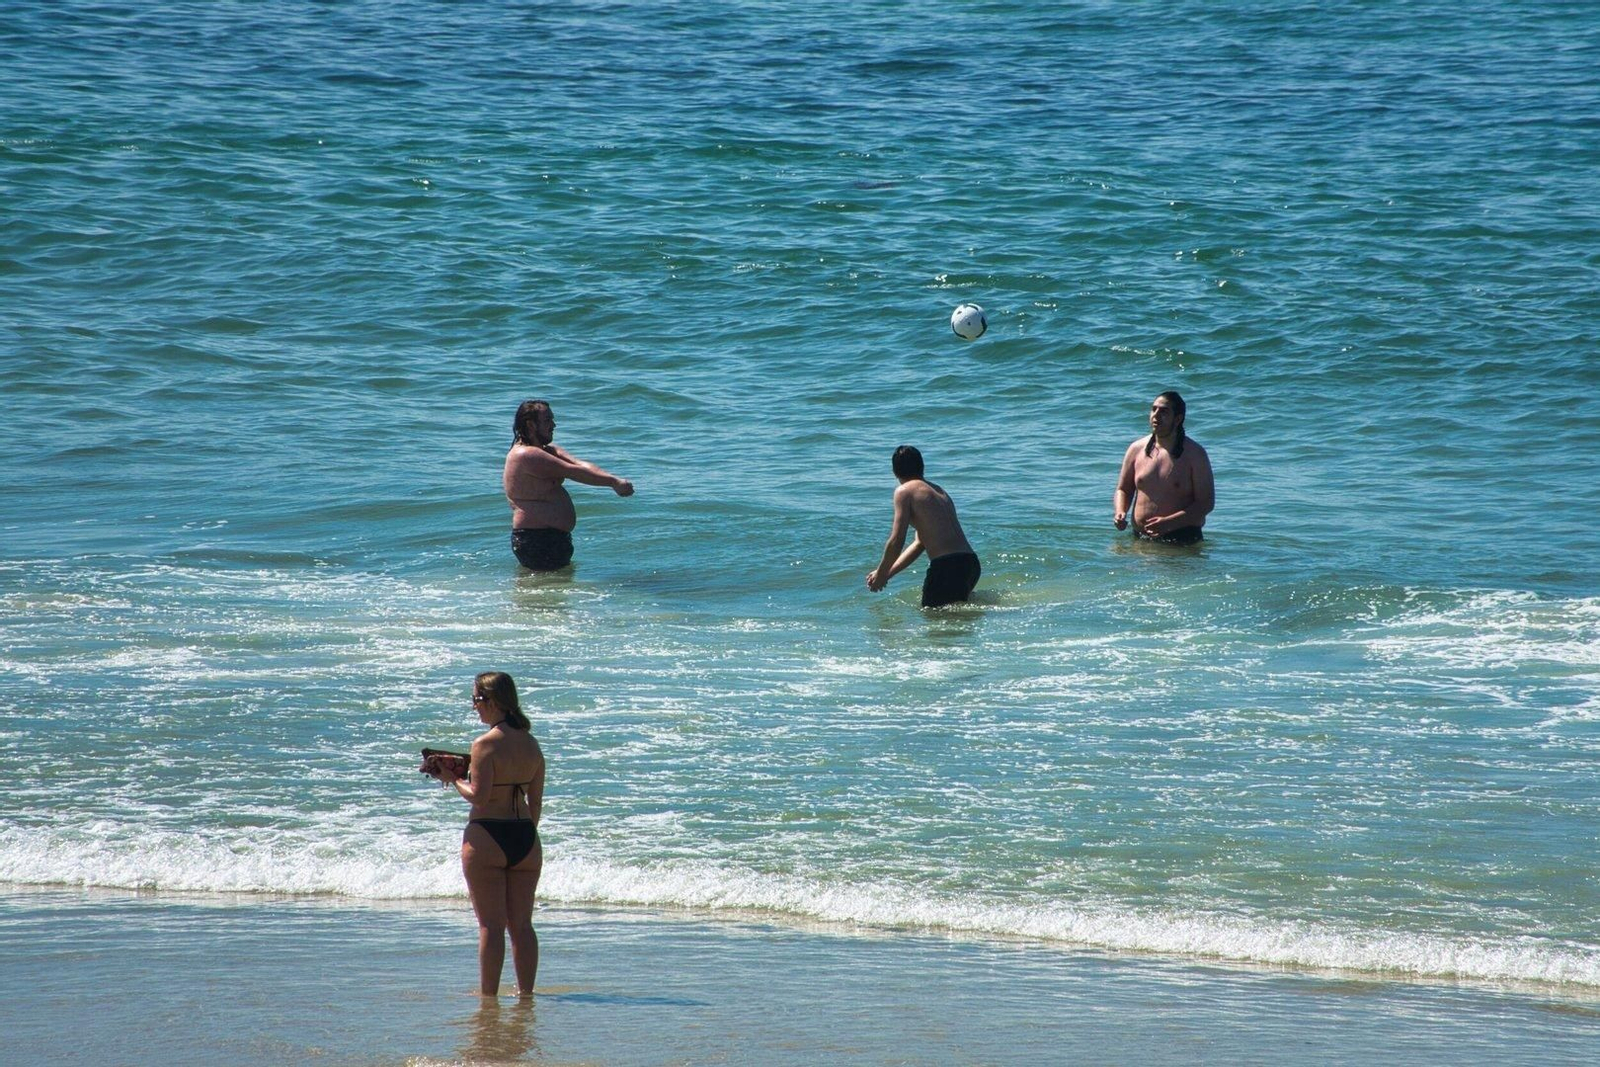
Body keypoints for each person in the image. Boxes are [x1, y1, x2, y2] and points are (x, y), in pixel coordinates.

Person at [428, 671, 547, 997]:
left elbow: (479, 797)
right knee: (522, 926)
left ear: (492, 701)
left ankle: (489, 1001)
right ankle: (526, 997)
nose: (474, 707)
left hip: (488, 836)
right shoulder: (532, 744)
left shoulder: (484, 744)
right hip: (525, 838)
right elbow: (535, 802)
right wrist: (526, 836)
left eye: (476, 700)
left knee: (491, 927)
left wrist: (452, 778)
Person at [503, 399, 634, 570]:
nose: (554, 425)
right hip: (536, 539)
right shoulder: (526, 455)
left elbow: (579, 465)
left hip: (550, 537)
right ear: (531, 425)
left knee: (550, 585)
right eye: (547, 420)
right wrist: (613, 482)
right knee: (547, 585)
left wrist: (613, 479)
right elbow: (573, 471)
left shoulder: (547, 451)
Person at [865, 445, 981, 607]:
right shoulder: (938, 490)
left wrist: (881, 574)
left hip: (947, 566)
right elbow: (919, 543)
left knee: (933, 618)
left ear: (894, 472)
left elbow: (896, 540)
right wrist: (885, 573)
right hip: (970, 563)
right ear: (922, 467)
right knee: (954, 617)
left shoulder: (904, 491)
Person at [1113, 390, 1214, 544]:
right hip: (1140, 540)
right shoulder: (1136, 449)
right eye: (1154, 409)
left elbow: (1205, 503)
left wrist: (1169, 523)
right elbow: (1123, 489)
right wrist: (1120, 511)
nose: (1156, 415)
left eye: (1164, 412)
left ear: (1178, 418)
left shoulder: (1195, 454)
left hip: (1182, 541)